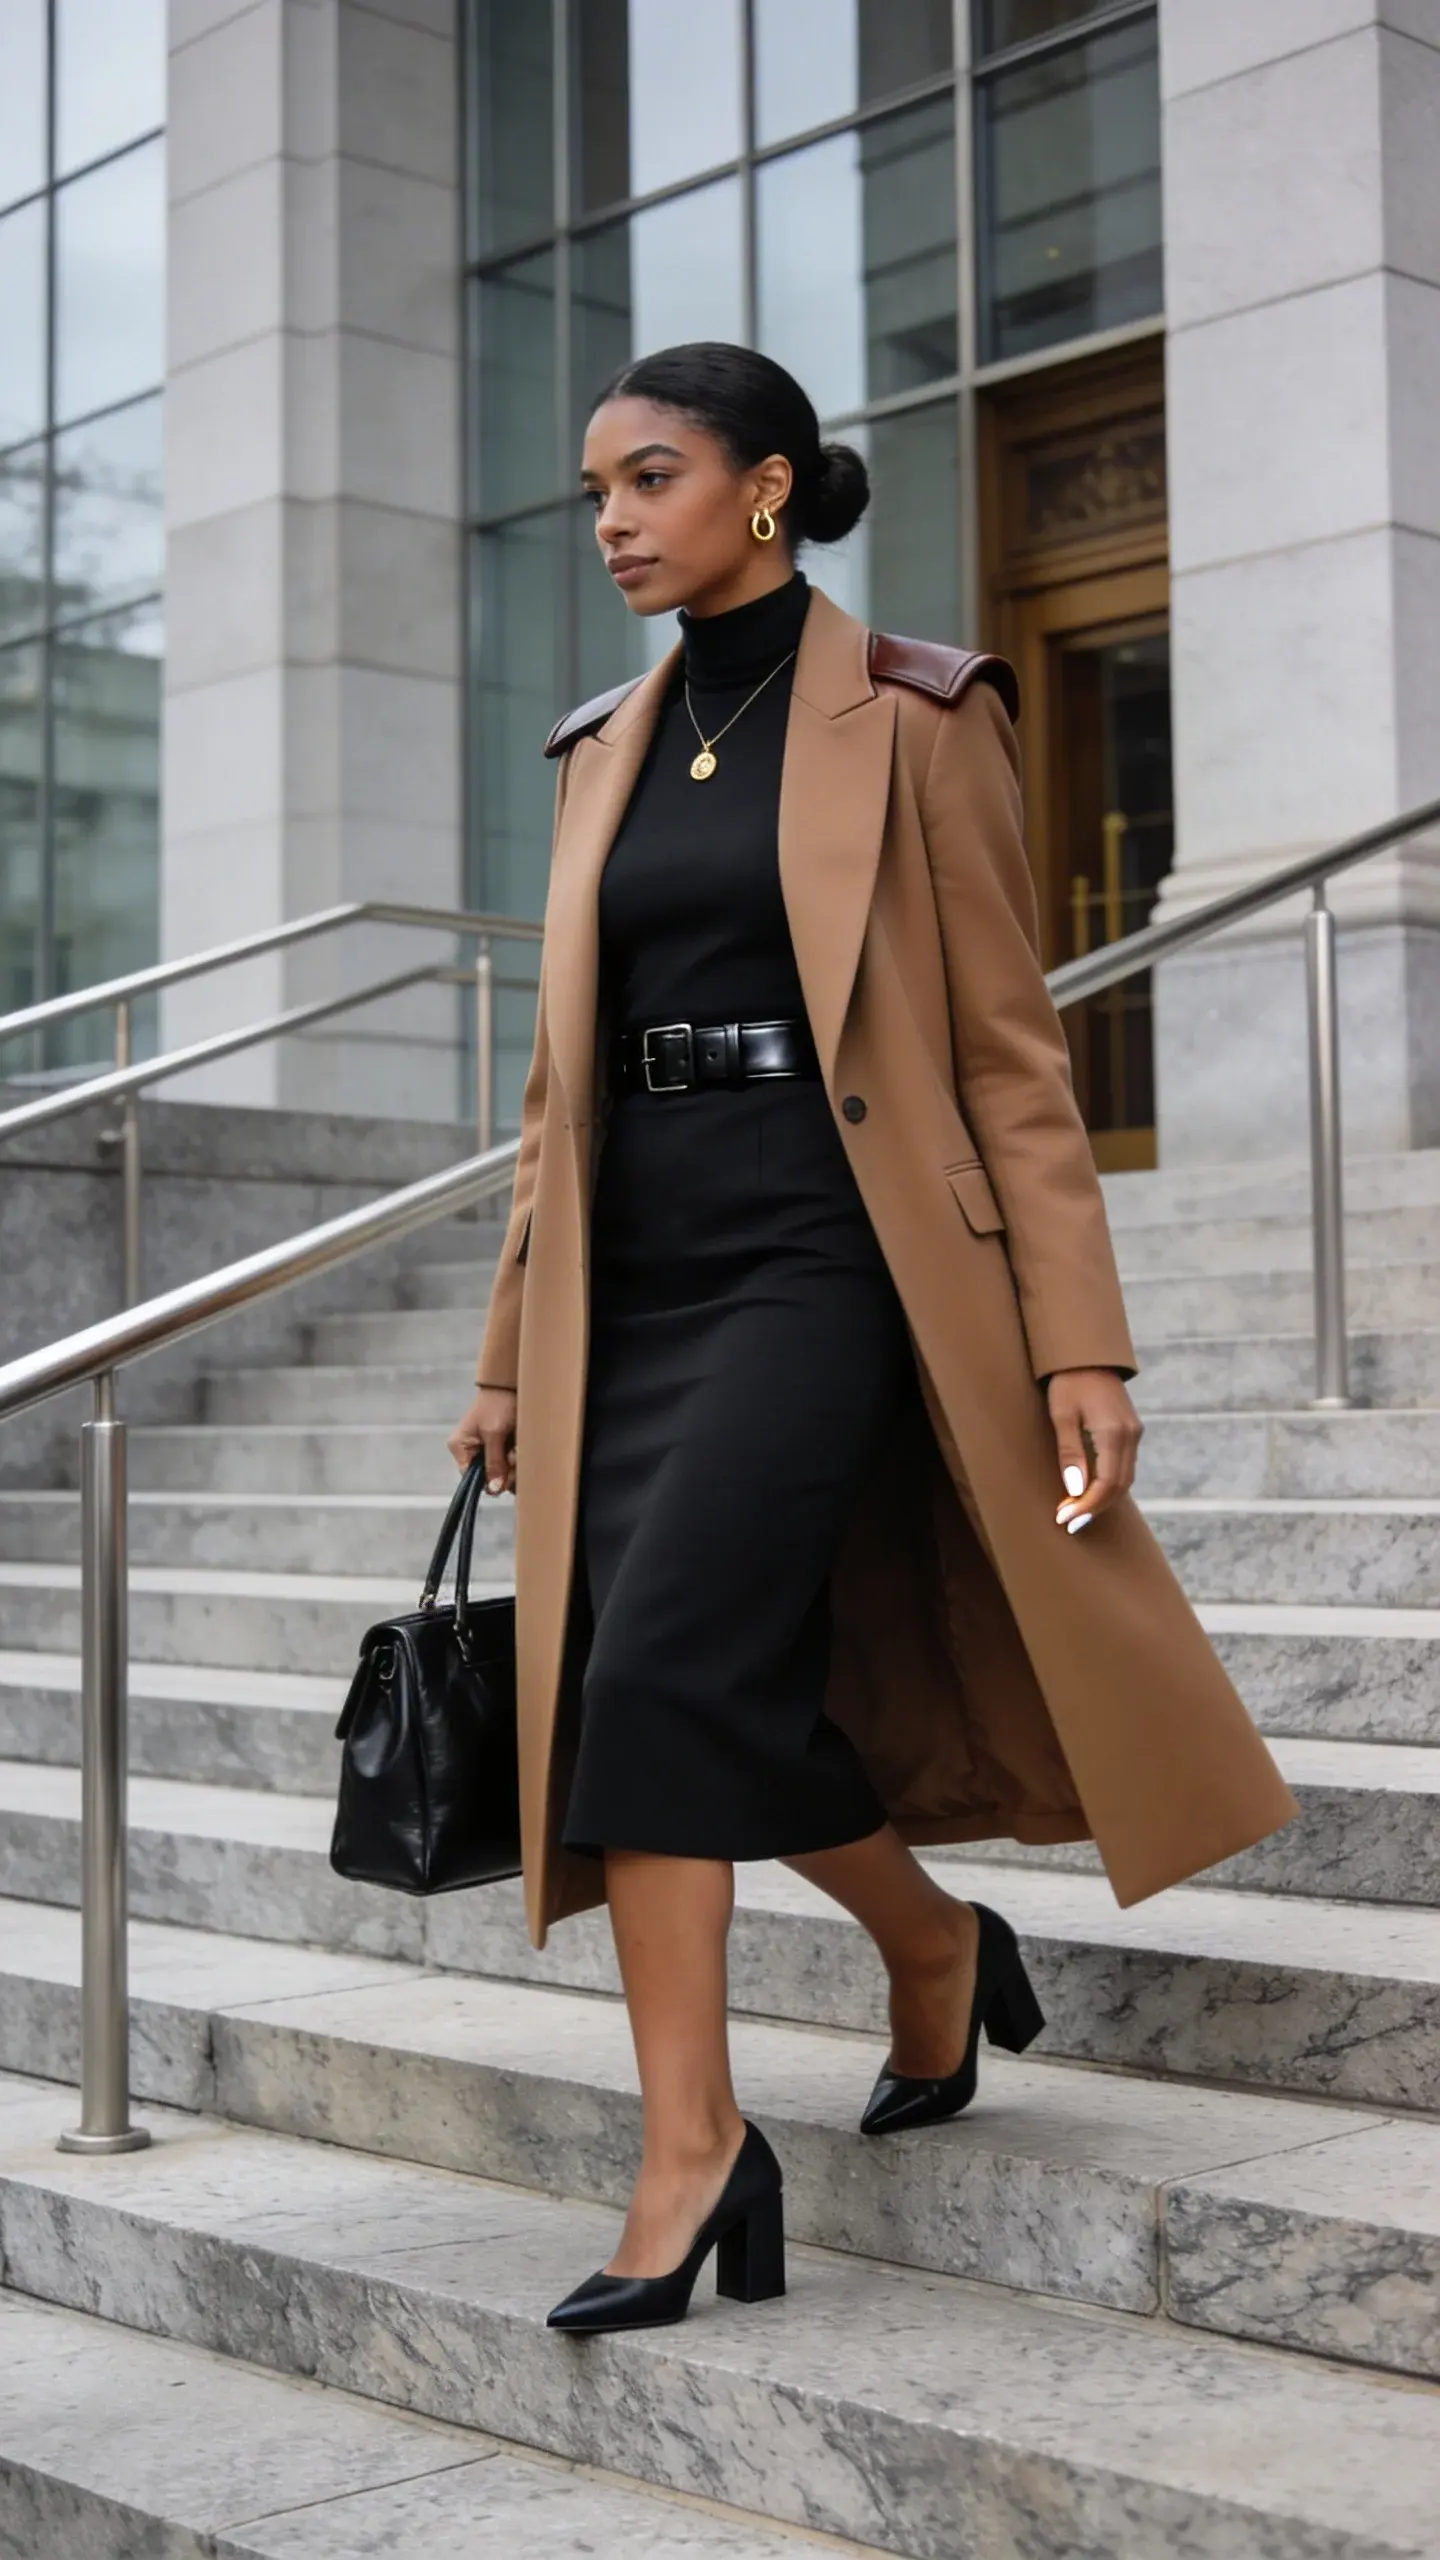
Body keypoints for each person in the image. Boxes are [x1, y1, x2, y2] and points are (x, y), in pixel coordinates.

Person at [448, 342, 1296, 2338]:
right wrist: (502, 1350)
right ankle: (933, 1942)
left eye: (647, 478)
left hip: (827, 1257)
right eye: (590, 491)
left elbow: (1013, 1054)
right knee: (678, 1691)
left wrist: (1081, 1338)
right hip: (630, 1269)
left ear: (766, 486)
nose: (610, 523)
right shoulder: (602, 749)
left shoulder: (918, 716)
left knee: (652, 1669)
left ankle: (692, 2151)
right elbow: (553, 1100)